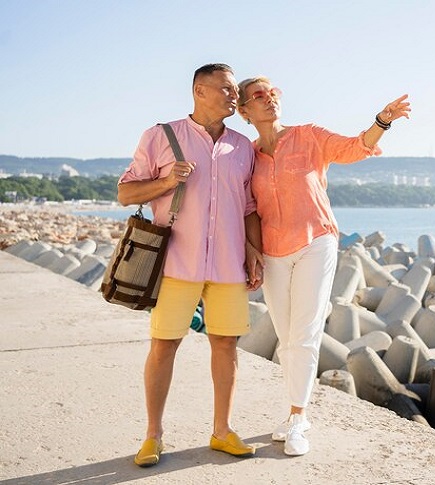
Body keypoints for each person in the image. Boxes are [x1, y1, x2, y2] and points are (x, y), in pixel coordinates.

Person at [238, 75, 411, 456]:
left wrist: (382, 122)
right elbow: (248, 208)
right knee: (286, 338)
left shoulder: (308, 136)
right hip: (273, 251)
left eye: (273, 93)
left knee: (304, 333)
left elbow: (354, 148)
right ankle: (293, 412)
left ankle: (298, 417)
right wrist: (251, 251)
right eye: (258, 96)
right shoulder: (247, 155)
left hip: (317, 240)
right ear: (244, 111)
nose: (269, 99)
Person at [118, 63, 263, 467]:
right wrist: (166, 183)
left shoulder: (243, 146)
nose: (235, 96)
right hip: (176, 265)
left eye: (235, 90)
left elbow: (249, 206)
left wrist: (254, 249)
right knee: (164, 347)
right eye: (227, 89)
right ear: (200, 90)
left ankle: (222, 431)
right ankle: (152, 436)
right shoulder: (161, 136)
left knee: (225, 346)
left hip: (229, 265)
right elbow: (125, 194)